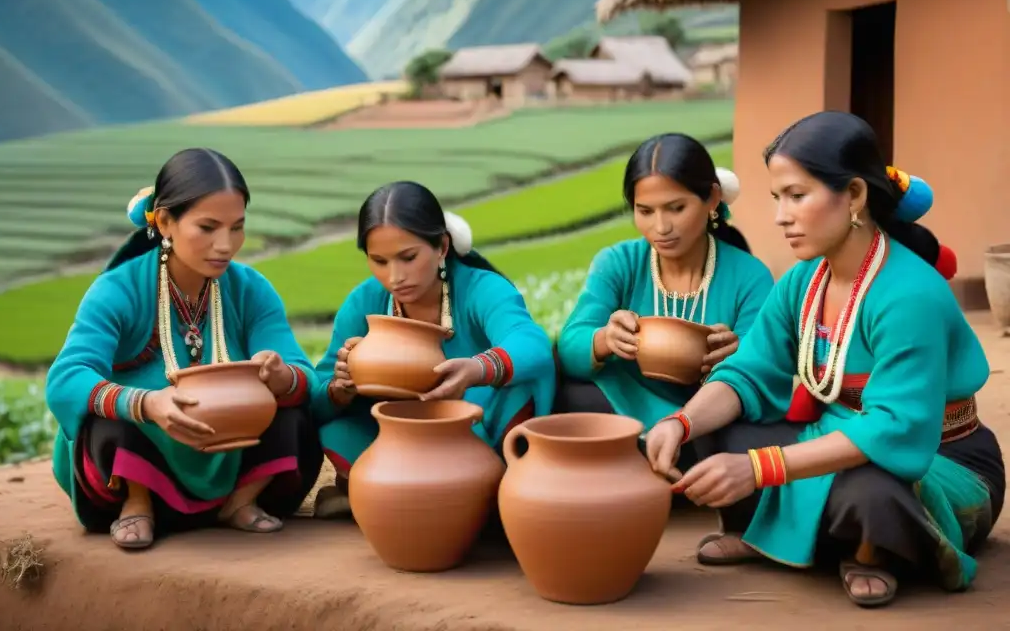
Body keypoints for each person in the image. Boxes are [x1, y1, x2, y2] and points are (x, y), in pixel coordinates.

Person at [644, 111, 1004, 608]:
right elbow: (749, 370)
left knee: (870, 490)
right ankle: (780, 532)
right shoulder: (804, 280)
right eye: (777, 198)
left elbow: (894, 429)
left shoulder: (909, 295)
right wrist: (680, 423)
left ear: (854, 195)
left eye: (797, 195)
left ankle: (867, 549)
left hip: (939, 462)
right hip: (836, 438)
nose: (780, 216)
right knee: (722, 427)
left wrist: (760, 469)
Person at [45, 148, 324, 551]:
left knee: (296, 416)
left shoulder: (250, 290)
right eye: (208, 227)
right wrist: (144, 403)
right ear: (165, 222)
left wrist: (282, 376)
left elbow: (305, 377)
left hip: (233, 452)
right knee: (106, 421)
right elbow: (66, 379)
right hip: (147, 448)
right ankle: (138, 502)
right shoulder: (118, 290)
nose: (225, 245)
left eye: (237, 228)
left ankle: (240, 501)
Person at [311, 181, 556, 518]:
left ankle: (385, 500)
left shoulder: (479, 289)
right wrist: (339, 389)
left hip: (476, 436)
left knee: (521, 383)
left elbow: (531, 343)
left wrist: (477, 369)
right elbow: (316, 394)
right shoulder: (364, 302)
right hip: (401, 442)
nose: (395, 276)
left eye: (408, 257)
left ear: (441, 247)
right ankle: (421, 501)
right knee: (337, 428)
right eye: (379, 261)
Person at [554, 133, 774, 468]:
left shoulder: (750, 276)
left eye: (676, 208)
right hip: (627, 409)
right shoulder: (619, 262)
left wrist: (739, 352)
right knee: (570, 395)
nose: (660, 227)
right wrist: (603, 339)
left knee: (744, 440)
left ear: (712, 198)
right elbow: (570, 346)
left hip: (706, 420)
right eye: (645, 211)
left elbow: (766, 369)